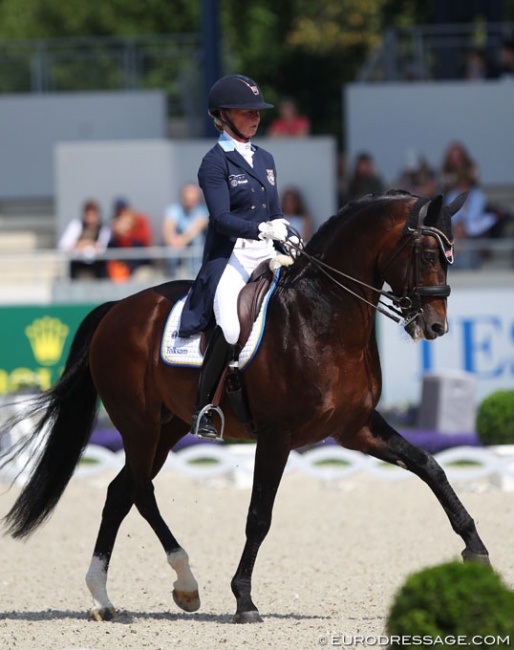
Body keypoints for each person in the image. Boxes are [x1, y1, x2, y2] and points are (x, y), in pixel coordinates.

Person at [178, 73, 295, 439]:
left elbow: (274, 210)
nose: (256, 118)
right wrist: (261, 229)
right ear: (223, 116)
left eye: (258, 112)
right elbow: (221, 219)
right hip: (232, 257)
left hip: (268, 252)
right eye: (247, 112)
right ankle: (205, 407)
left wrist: (286, 232)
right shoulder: (214, 163)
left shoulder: (266, 158)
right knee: (230, 326)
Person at [444, 168, 499, 270]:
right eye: (461, 183)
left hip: (474, 231)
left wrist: (466, 228)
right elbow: (449, 216)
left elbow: (478, 216)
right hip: (454, 231)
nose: (463, 186)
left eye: (465, 183)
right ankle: (453, 261)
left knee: (480, 240)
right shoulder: (451, 195)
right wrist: (458, 227)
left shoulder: (479, 196)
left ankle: (475, 261)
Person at [162, 183, 208, 277]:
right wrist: (174, 241)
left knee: (197, 239)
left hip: (194, 253)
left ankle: (194, 272)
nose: (190, 203)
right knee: (171, 249)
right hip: (176, 249)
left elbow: (197, 228)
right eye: (187, 199)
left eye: (193, 200)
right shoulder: (173, 209)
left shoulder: (203, 211)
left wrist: (181, 241)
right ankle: (172, 273)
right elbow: (168, 229)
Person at [58, 199, 110, 279]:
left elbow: (102, 249)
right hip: (77, 266)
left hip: (97, 267)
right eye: (88, 214)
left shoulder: (104, 228)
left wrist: (81, 245)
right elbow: (63, 246)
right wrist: (89, 244)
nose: (90, 217)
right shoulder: (76, 225)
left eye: (93, 214)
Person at [107, 197, 153, 281]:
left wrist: (129, 231)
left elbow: (144, 239)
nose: (122, 213)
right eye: (119, 210)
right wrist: (120, 233)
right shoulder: (114, 223)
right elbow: (117, 243)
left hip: (140, 261)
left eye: (123, 209)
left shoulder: (139, 219)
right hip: (123, 262)